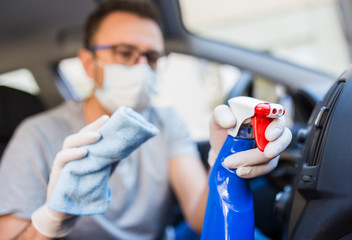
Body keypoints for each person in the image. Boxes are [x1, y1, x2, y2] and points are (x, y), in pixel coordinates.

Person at [0, 0, 292, 239]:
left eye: (151, 57)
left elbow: (200, 218)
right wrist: (51, 219)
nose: (142, 67)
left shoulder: (165, 123)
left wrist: (224, 159)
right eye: (125, 53)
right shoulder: (36, 135)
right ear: (90, 64)